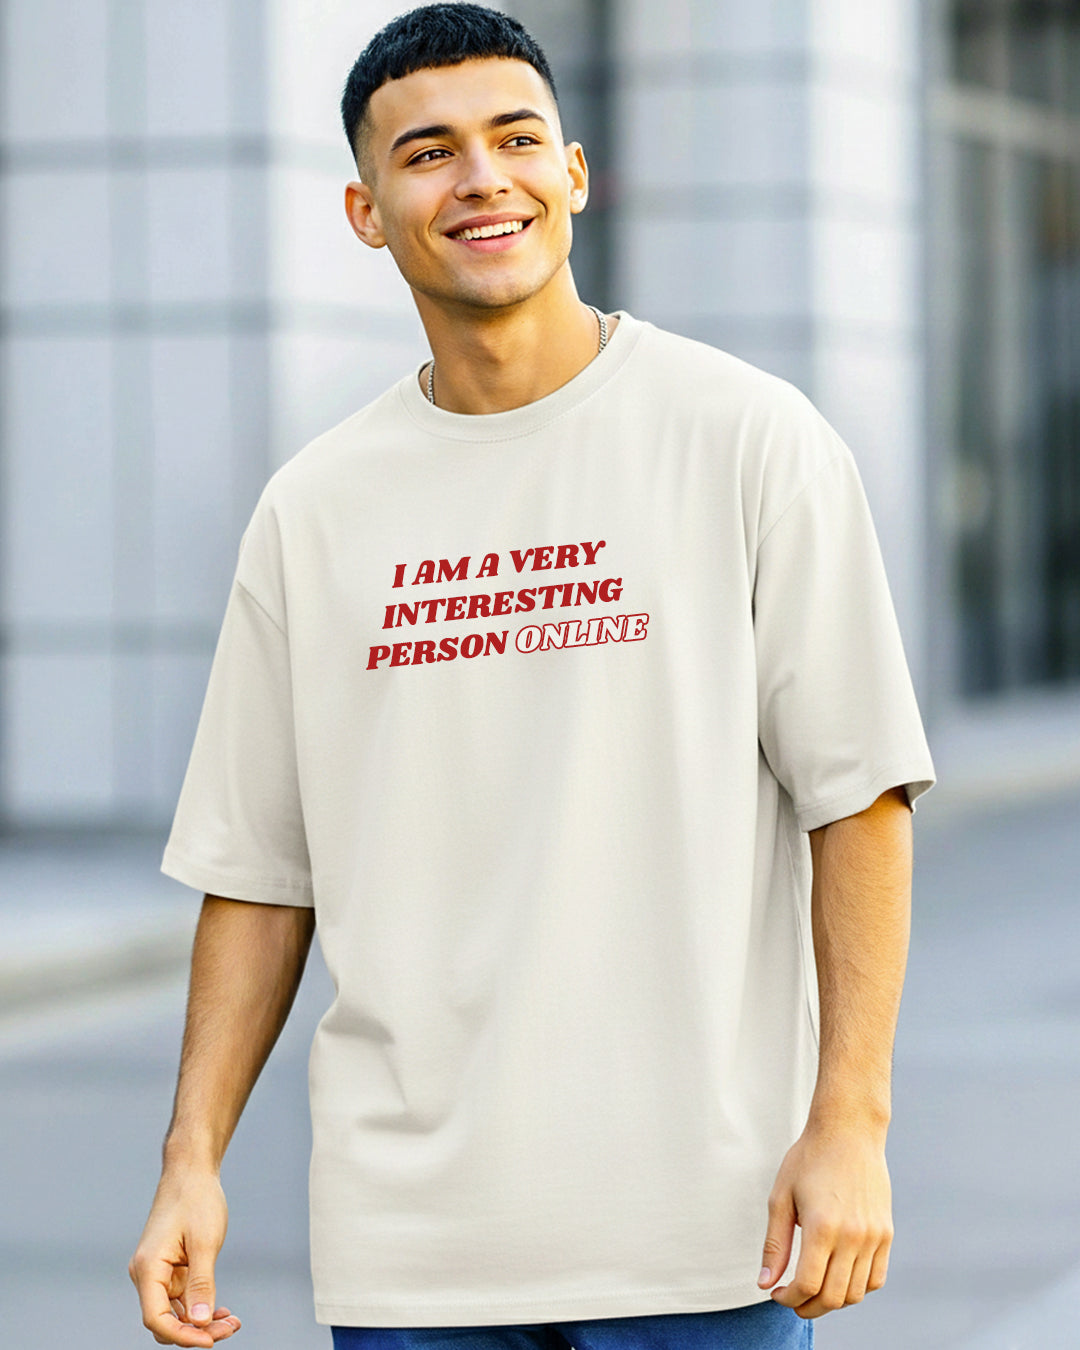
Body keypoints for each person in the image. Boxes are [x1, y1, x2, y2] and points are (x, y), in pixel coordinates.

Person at [129, 5, 936, 1349]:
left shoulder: (749, 440)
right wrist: (190, 1157)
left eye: (513, 141)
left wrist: (849, 1121)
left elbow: (859, 799)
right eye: (429, 153)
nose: (480, 179)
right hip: (415, 1256)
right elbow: (262, 875)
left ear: (572, 172)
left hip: (707, 1234)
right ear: (366, 209)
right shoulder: (315, 509)